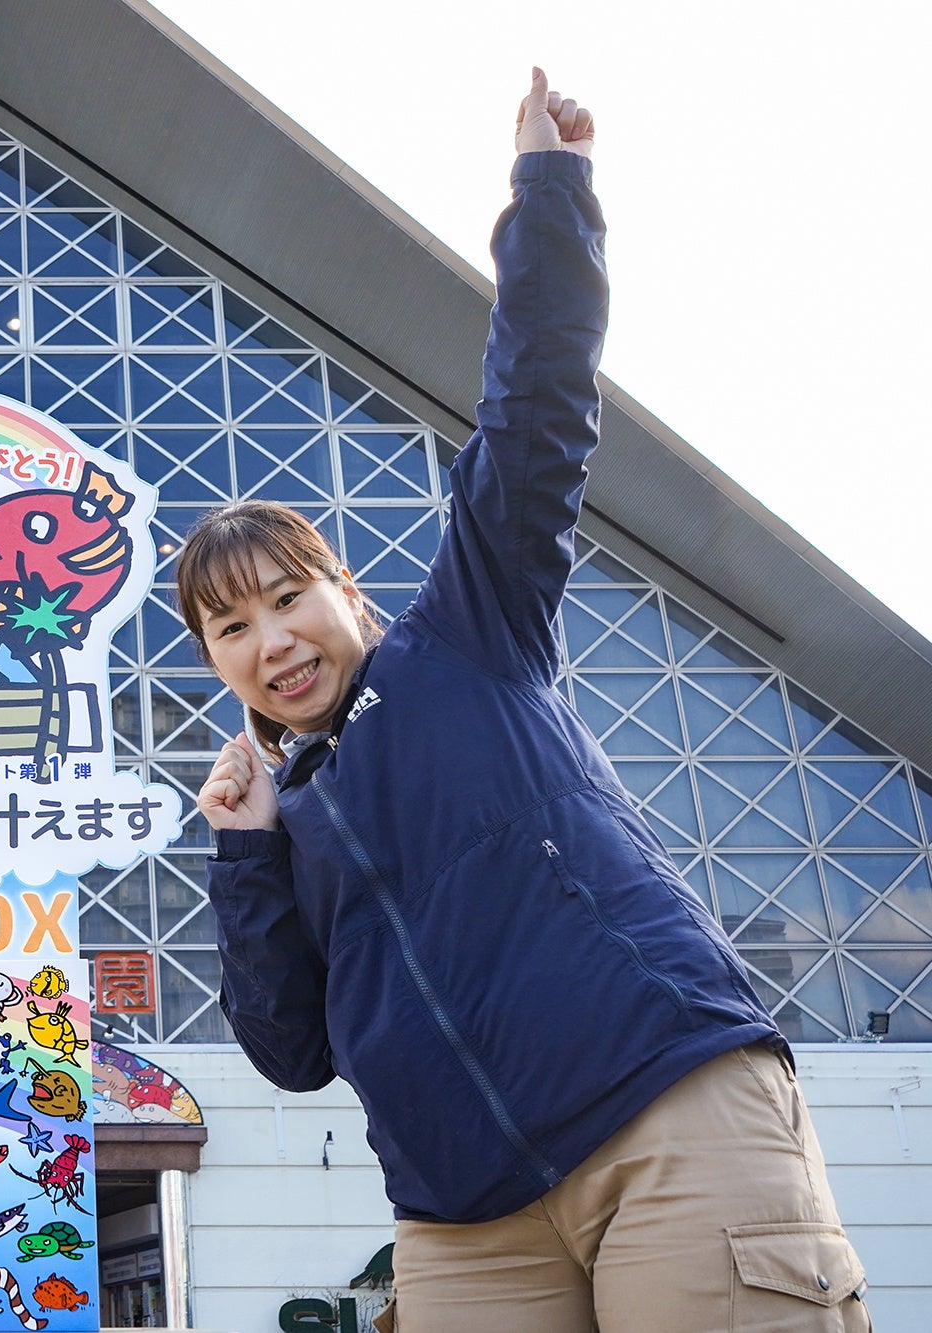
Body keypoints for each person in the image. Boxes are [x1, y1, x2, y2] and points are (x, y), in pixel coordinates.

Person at [183, 72, 869, 1330]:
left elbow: (534, 416)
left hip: (659, 1113)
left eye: (288, 597)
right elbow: (290, 1051)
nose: (270, 640)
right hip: (461, 1222)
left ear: (346, 589)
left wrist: (546, 195)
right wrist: (242, 853)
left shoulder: (465, 634)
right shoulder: (286, 811)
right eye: (231, 627)